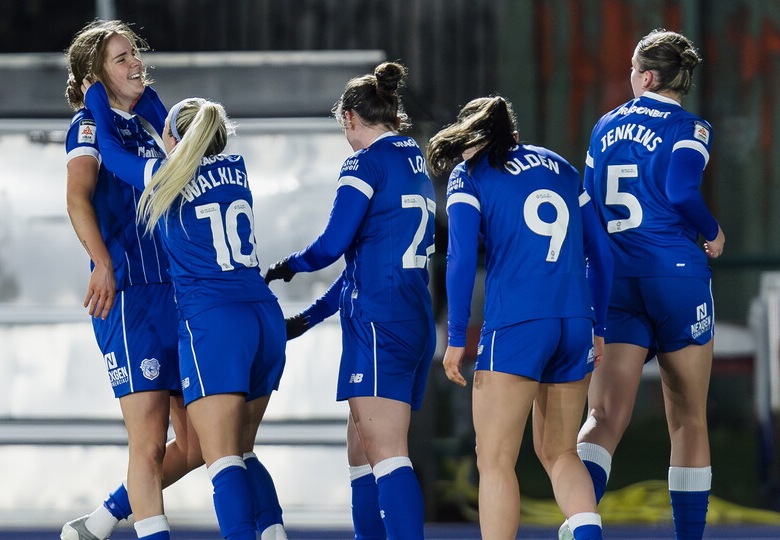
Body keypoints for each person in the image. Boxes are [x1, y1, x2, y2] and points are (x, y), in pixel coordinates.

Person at [82, 75, 289, 540]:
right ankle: (274, 532)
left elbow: (113, 156)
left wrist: (97, 95)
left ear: (174, 139)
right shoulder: (236, 167)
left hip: (216, 322)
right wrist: (154, 105)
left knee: (223, 459)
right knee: (244, 449)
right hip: (263, 316)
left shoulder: (167, 177)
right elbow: (180, 134)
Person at [429, 96, 613, 540]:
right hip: (575, 322)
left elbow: (457, 259)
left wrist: (456, 335)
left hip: (516, 325)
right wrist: (599, 326)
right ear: (514, 135)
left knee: (494, 460)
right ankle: (587, 532)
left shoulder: (468, 175)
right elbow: (603, 254)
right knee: (561, 452)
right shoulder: (561, 167)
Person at [265, 61, 434, 540]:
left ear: (350, 120)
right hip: (410, 312)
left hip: (380, 319)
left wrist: (290, 264)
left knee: (386, 452)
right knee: (362, 448)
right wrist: (308, 318)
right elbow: (367, 262)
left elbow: (332, 246)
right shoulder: (412, 157)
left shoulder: (365, 162)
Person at [575, 29, 724, 540]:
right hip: (675, 277)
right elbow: (683, 190)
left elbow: (588, 204)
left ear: (645, 76)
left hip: (615, 279)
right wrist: (713, 231)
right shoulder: (691, 128)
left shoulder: (604, 126)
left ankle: (581, 526)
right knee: (688, 418)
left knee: (602, 416)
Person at [62, 20, 203, 540]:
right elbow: (77, 197)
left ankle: (98, 523)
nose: (135, 63)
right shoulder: (87, 126)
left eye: (135, 53)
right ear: (96, 78)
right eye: (121, 59)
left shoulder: (150, 124)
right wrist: (101, 262)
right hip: (130, 299)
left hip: (177, 293)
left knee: (199, 445)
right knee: (147, 443)